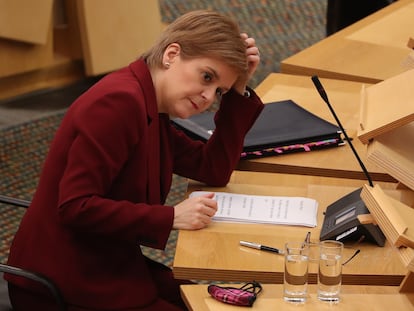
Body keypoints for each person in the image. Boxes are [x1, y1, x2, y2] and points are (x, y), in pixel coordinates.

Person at [5, 9, 264, 311]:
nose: (208, 97)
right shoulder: (120, 103)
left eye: (218, 90)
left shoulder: (154, 104)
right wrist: (171, 217)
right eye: (206, 76)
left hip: (108, 262)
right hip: (64, 282)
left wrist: (238, 91)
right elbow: (75, 206)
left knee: (208, 301)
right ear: (171, 54)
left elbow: (212, 168)